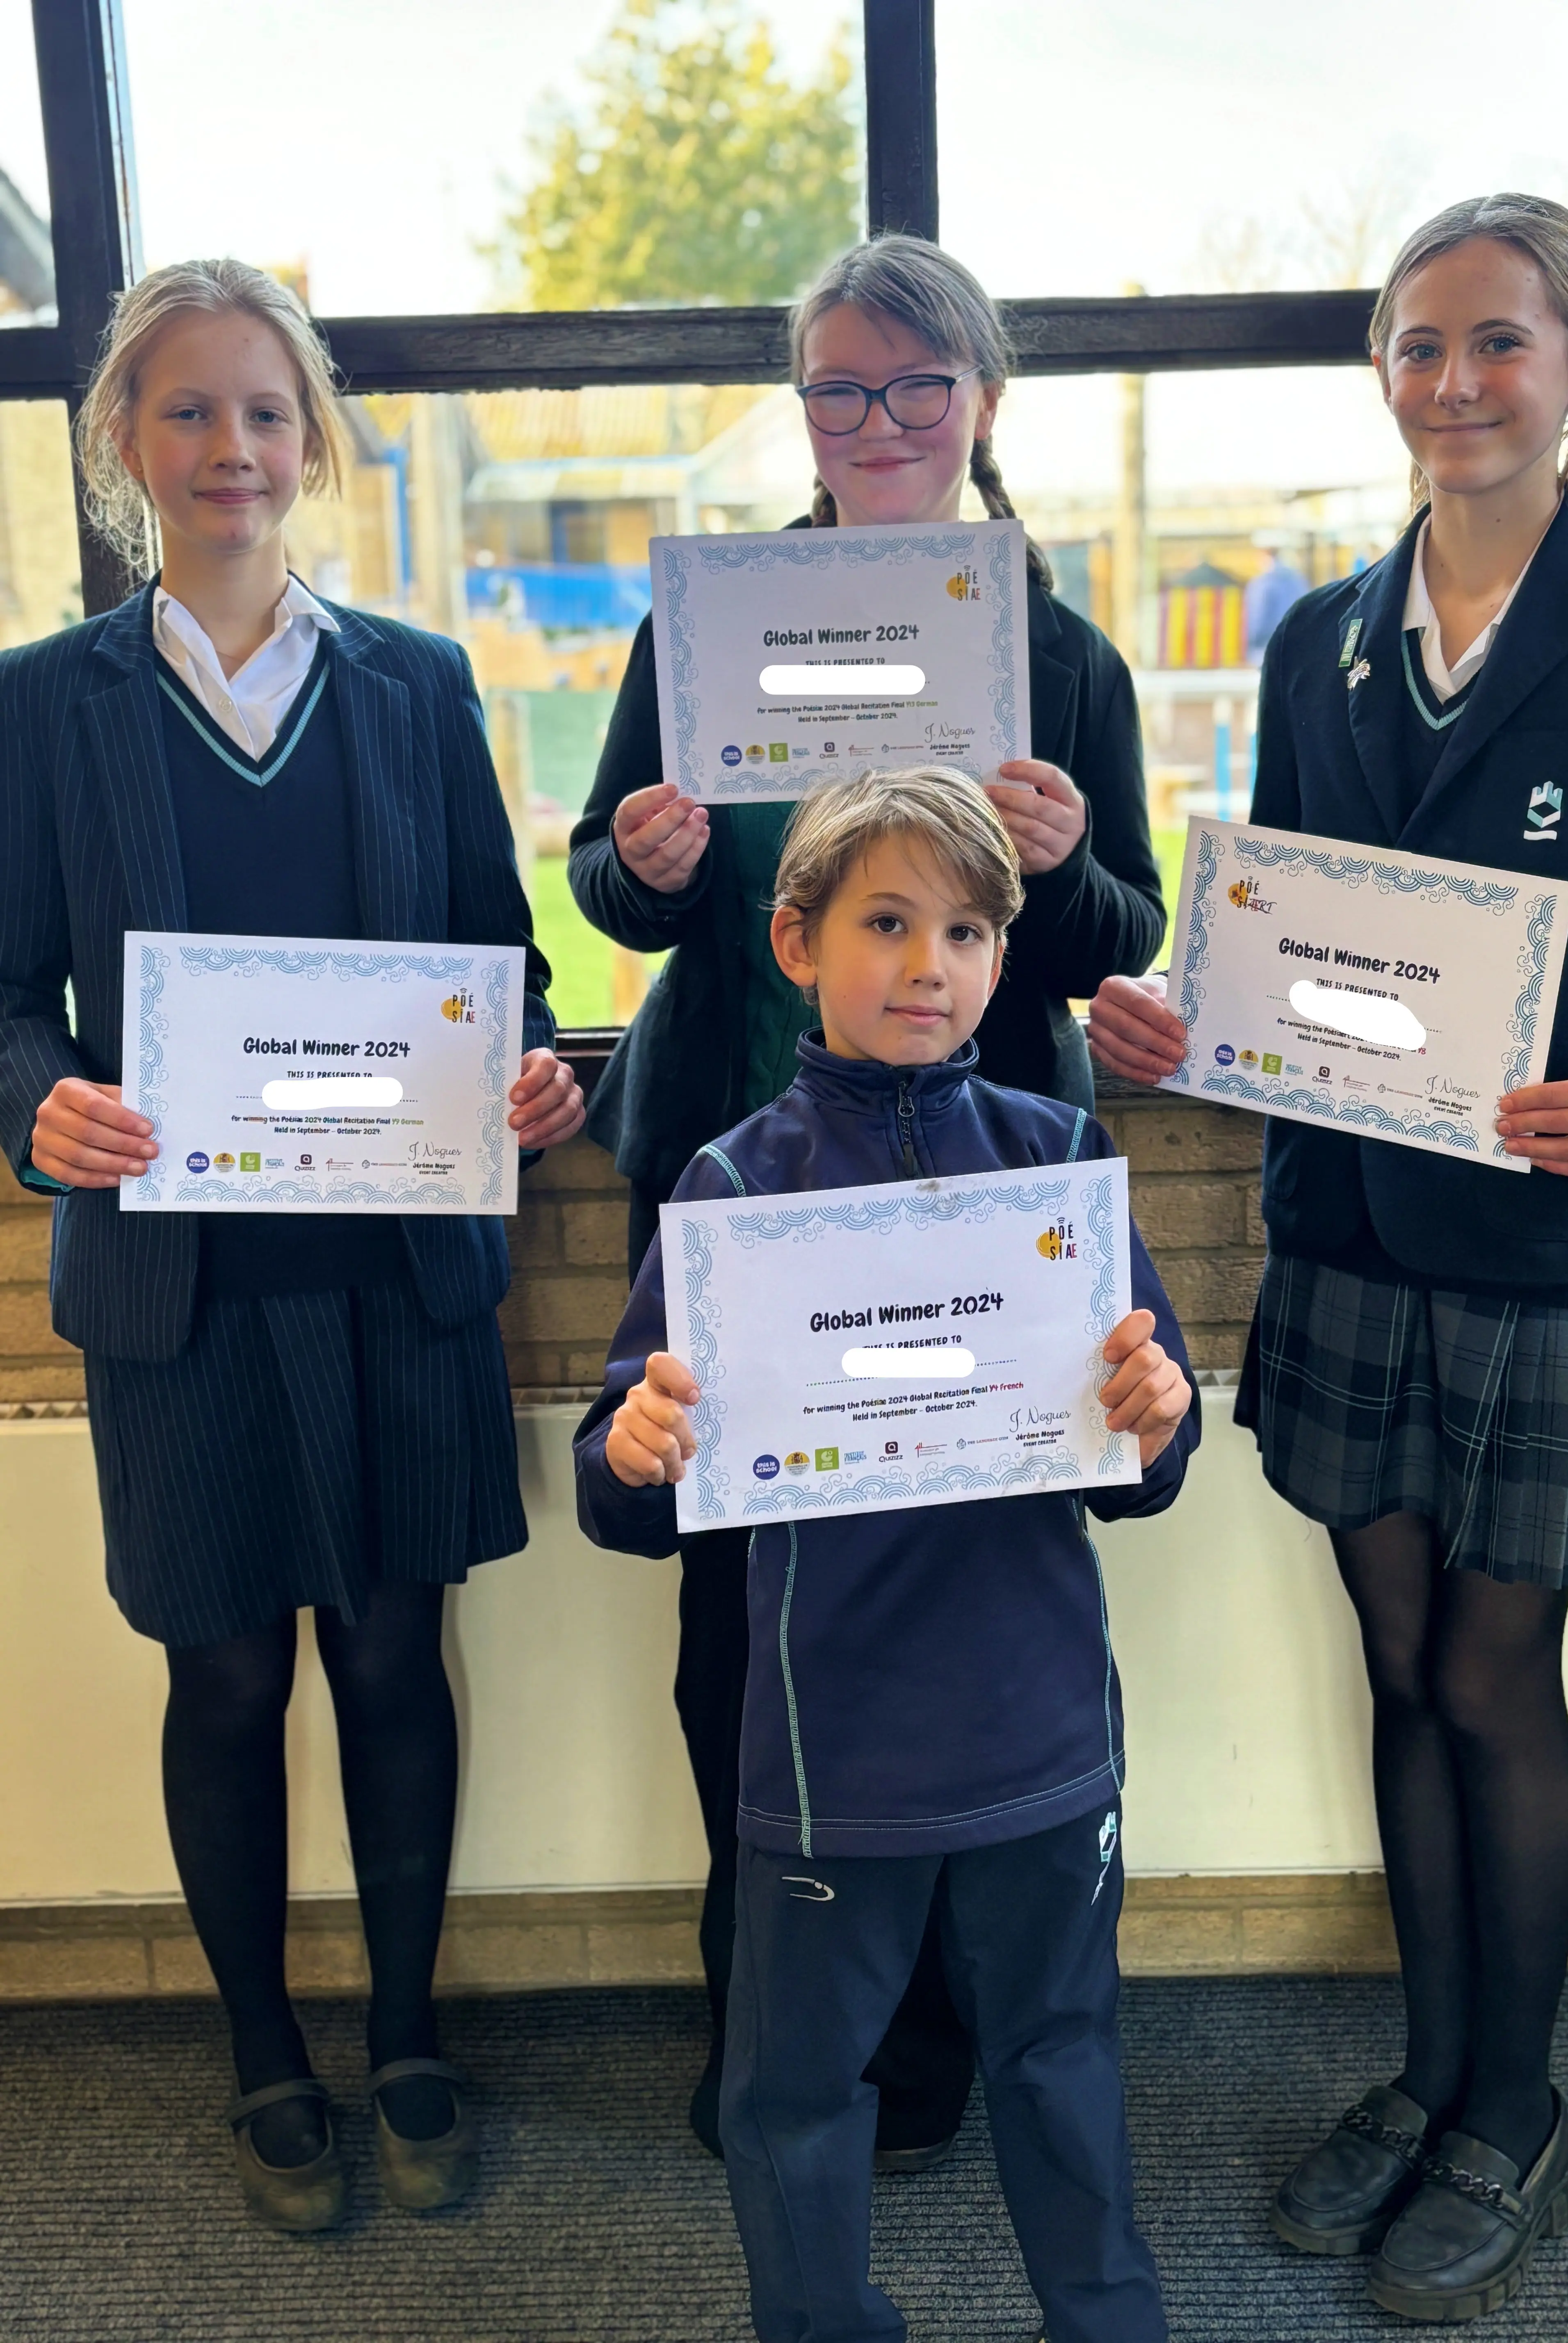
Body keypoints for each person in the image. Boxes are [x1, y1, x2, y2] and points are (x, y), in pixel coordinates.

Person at [1084, 192, 1568, 2325]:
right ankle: (1435, 2067)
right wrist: (1191, 1013)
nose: (1455, 384)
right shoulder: (1317, 635)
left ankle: (1517, 2109)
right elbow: (1289, 933)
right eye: (1421, 348)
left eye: (1498, 345)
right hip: (1346, 1231)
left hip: (1544, 1244)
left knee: (1487, 1674)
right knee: (1392, 1663)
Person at [568, 232, 1166, 2162]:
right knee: (740, 1631)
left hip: (976, 1198)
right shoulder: (707, 618)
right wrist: (646, 864)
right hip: (737, 1175)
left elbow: (1117, 936)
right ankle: (773, 2036)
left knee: (951, 1623)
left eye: (920, 387)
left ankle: (932, 2054)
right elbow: (609, 876)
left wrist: (1066, 869)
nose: (880, 421)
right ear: (806, 411)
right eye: (841, 386)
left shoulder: (1060, 652)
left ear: (982, 402)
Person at [0, 259, 584, 2231]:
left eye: (265, 410)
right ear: (125, 449)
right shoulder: (41, 706)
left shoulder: (417, 682)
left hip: (396, 1276)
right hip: (180, 1292)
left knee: (400, 1661)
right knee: (229, 1682)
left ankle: (408, 2033)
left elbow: (493, 961)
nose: (231, 448)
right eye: (186, 412)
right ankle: (265, 2058)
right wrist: (37, 1104)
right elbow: (5, 999)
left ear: (313, 437)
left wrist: (528, 1080)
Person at [575, 768, 1197, 2343]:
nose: (933, 963)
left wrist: (1158, 1413)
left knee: (1062, 2062)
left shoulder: (1058, 1162)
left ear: (1006, 957)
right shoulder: (728, 1189)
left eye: (972, 930)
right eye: (889, 922)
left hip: (1043, 1738)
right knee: (795, 2097)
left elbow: (1145, 1467)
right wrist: (634, 1449)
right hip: (825, 1747)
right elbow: (621, 1485)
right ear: (796, 943)